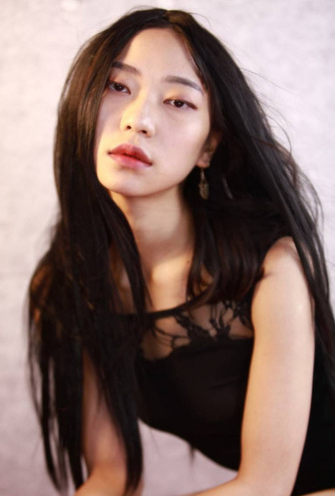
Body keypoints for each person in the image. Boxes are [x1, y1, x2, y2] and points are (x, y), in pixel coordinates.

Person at [27, 8, 335, 496]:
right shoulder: (68, 287)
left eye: (178, 102)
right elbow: (112, 475)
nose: (138, 120)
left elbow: (264, 487)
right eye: (118, 86)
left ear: (208, 147)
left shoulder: (273, 268)